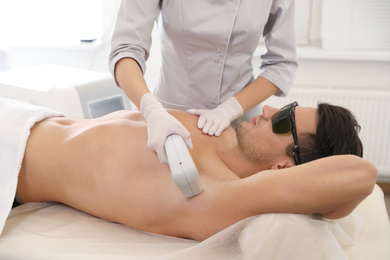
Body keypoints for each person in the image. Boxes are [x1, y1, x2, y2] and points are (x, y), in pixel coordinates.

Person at [15, 102, 377, 241]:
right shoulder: (218, 131)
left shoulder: (214, 194)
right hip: (30, 117)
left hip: (11, 163)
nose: (268, 109)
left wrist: (281, 182)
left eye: (283, 119)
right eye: (286, 106)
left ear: (284, 166)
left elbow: (362, 174)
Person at [109, 0, 298, 163]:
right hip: (168, 119)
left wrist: (230, 109)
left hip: (240, 124)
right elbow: (125, 49)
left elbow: (281, 64)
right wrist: (151, 110)